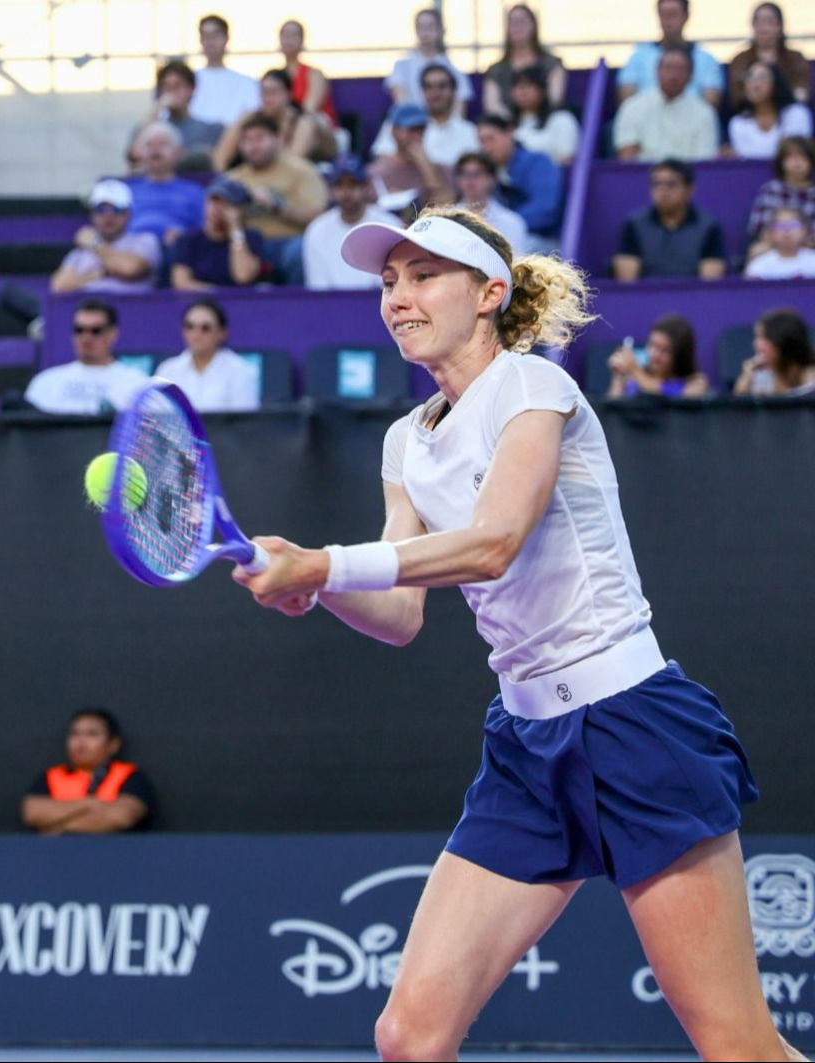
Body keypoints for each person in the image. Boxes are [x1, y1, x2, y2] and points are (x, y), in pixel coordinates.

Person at [232, 204, 804, 1063]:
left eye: (424, 276)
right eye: (388, 282)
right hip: (526, 750)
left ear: (490, 292)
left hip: (633, 724)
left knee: (737, 1048)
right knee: (409, 1037)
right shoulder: (405, 442)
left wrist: (323, 564)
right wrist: (316, 589)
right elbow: (400, 611)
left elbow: (493, 542)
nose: (398, 298)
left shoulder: (534, 387)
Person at [226, 111, 327, 286]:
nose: (253, 146)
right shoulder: (233, 178)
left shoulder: (301, 170)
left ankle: (299, 300)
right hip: (248, 244)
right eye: (246, 141)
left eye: (259, 139)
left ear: (278, 139)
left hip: (289, 240)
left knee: (300, 250)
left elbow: (317, 215)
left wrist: (276, 204)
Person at [21, 708, 155, 834]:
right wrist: (88, 804)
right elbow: (33, 813)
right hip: (58, 850)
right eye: (75, 734)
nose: (81, 743)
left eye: (92, 734)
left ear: (113, 744)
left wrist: (57, 826)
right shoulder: (52, 776)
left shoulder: (129, 775)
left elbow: (120, 817)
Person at [22, 299, 148, 415]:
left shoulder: (136, 385)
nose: (86, 337)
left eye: (96, 330)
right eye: (79, 330)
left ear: (112, 334)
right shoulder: (45, 382)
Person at [613, 158, 725, 280]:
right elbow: (627, 283)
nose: (663, 191)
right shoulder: (634, 224)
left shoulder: (708, 226)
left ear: (689, 189)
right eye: (656, 184)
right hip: (647, 291)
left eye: (671, 184)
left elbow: (710, 283)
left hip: (691, 292)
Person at [303, 157, 399, 291]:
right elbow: (319, 291)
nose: (346, 192)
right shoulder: (316, 231)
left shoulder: (389, 225)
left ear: (365, 186)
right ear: (331, 189)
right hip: (332, 302)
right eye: (339, 185)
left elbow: (392, 284)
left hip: (377, 300)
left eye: (353, 184)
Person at [613, 43, 720, 163]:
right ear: (656, 71)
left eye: (680, 69)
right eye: (668, 68)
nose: (673, 75)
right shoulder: (632, 107)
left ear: (690, 75)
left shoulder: (704, 113)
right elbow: (627, 159)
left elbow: (704, 161)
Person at [211, 69, 336, 171]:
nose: (268, 98)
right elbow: (220, 157)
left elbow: (291, 167)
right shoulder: (250, 118)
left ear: (288, 94)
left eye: (274, 92)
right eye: (264, 92)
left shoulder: (304, 123)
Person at [50, 179, 160, 294]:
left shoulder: (145, 240)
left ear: (127, 214)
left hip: (130, 304)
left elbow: (130, 269)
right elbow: (59, 286)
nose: (108, 216)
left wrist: (95, 243)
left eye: (116, 210)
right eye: (101, 210)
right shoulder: (82, 252)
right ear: (92, 214)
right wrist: (99, 274)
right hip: (88, 303)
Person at [476, 113, 562, 251]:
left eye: (491, 139)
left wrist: (504, 225)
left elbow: (546, 208)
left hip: (540, 240)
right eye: (482, 142)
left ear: (509, 132)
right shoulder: (486, 173)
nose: (487, 148)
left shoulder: (538, 162)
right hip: (499, 237)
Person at [156, 298, 259, 412]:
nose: (197, 334)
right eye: (190, 326)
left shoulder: (239, 371)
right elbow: (157, 416)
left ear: (222, 333)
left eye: (205, 328)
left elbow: (244, 419)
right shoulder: (167, 371)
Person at [616, 0, 724, 108]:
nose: (667, 21)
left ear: (686, 17)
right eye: (663, 15)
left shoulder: (706, 60)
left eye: (673, 14)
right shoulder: (638, 56)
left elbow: (710, 104)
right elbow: (627, 101)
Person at [170, 177, 264, 290]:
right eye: (212, 201)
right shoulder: (188, 240)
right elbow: (182, 283)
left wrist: (235, 228)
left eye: (224, 203)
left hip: (240, 300)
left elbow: (243, 276)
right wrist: (216, 294)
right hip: (200, 300)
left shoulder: (249, 238)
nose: (215, 208)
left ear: (238, 210)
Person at [124, 122, 206, 245]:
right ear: (140, 153)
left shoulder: (194, 192)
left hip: (176, 247)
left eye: (163, 144)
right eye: (149, 145)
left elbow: (204, 231)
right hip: (130, 247)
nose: (155, 150)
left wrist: (185, 236)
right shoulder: (126, 189)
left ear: (179, 151)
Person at [133, 61, 223, 172]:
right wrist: (157, 108)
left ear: (191, 89)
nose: (171, 93)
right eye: (166, 87)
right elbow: (135, 155)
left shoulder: (210, 130)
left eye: (177, 86)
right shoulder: (152, 129)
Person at [482, 4, 566, 118]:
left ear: (534, 26)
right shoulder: (496, 71)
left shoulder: (552, 65)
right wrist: (513, 123)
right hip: (508, 125)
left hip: (545, 122)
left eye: (522, 22)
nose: (517, 28)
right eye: (513, 23)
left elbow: (555, 99)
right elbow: (492, 106)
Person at [367, 103, 453, 213]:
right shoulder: (375, 172)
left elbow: (447, 206)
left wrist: (425, 165)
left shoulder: (439, 169)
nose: (416, 136)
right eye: (411, 130)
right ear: (394, 131)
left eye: (421, 130)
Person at [386, 8, 472, 114]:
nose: (425, 32)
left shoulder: (452, 67)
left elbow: (460, 105)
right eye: (421, 27)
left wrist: (446, 124)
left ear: (440, 30)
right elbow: (402, 103)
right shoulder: (401, 66)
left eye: (430, 26)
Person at [728, 3, 809, 110]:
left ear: (779, 26)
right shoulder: (740, 60)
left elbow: (801, 92)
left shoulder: (795, 58)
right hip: (751, 113)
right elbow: (737, 95)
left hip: (787, 110)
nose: (763, 27)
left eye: (769, 21)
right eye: (758, 21)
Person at [746, 136, 815, 262]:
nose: (797, 162)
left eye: (802, 156)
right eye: (791, 157)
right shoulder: (771, 190)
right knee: (757, 251)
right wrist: (789, 242)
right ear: (781, 162)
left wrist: (802, 242)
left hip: (811, 247)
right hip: (776, 247)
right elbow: (762, 230)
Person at [606, 314, 709, 398]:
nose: (655, 354)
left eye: (664, 350)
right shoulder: (632, 377)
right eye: (652, 345)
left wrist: (634, 371)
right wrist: (618, 377)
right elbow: (612, 409)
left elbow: (667, 400)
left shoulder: (696, 383)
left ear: (680, 355)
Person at [726, 61, 812, 161]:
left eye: (762, 78)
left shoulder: (797, 114)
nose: (755, 85)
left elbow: (798, 157)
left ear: (776, 83)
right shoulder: (738, 123)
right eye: (750, 77)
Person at [189, 14, 261, 127]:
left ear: (226, 38)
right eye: (206, 36)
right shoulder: (187, 83)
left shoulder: (248, 84)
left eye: (215, 36)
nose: (211, 42)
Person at [454, 152, 528, 256]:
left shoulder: (513, 223)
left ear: (492, 179)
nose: (470, 180)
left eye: (477, 174)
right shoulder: (446, 221)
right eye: (464, 174)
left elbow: (516, 260)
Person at [734, 306, 815, 396]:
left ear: (782, 341)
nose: (756, 344)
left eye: (762, 338)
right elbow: (738, 402)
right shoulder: (759, 378)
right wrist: (746, 378)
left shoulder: (811, 379)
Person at [510, 67, 579, 166]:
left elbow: (568, 158)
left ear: (543, 91)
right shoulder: (506, 125)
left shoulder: (562, 119)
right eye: (518, 87)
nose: (523, 91)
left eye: (528, 86)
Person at [277, 20, 338, 130]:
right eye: (285, 34)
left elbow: (309, 109)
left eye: (295, 34)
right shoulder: (275, 77)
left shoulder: (314, 74)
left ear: (302, 40)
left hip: (316, 128)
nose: (289, 39)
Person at [745, 207, 815, 280]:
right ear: (771, 232)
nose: (787, 230)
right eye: (780, 226)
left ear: (804, 230)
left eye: (793, 225)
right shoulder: (758, 265)